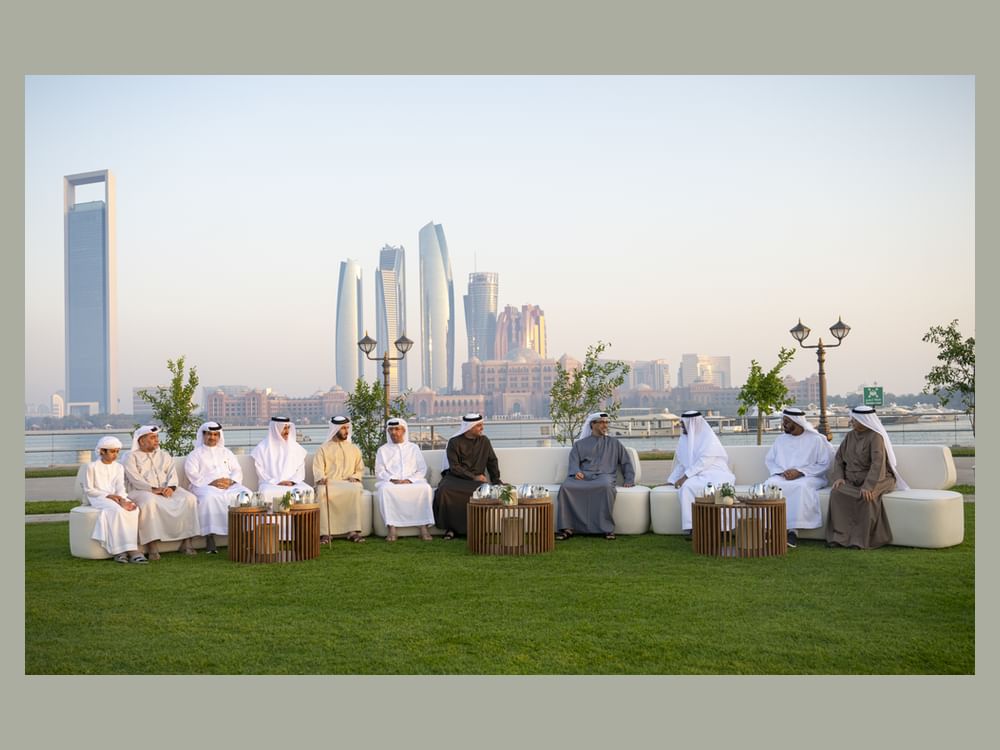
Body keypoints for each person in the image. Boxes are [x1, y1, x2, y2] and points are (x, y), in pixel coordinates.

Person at [825, 405, 908, 550]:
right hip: (852, 480)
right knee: (837, 492)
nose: (852, 422)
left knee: (866, 497)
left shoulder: (876, 437)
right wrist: (839, 477)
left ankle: (860, 540)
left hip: (879, 479)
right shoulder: (850, 436)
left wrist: (868, 486)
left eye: (854, 420)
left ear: (864, 421)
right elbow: (839, 459)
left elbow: (878, 464)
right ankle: (840, 537)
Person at [123, 425, 201, 560]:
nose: (156, 440)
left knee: (189, 498)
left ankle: (187, 541)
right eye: (152, 438)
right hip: (140, 491)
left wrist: (171, 488)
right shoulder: (130, 457)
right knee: (149, 501)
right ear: (141, 441)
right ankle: (152, 545)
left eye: (157, 437)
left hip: (166, 489)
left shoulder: (164, 455)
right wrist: (153, 489)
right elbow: (134, 479)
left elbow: (172, 475)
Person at [555, 412, 635, 541]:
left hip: (605, 476)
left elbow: (626, 462)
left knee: (605, 487)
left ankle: (607, 529)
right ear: (593, 424)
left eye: (607, 423)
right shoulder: (580, 444)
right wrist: (576, 472)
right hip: (584, 476)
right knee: (566, 487)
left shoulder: (614, 443)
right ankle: (567, 528)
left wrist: (629, 479)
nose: (605, 425)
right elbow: (574, 461)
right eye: (602, 422)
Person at [765, 407, 834, 548]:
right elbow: (770, 461)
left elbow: (824, 463)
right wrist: (782, 472)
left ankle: (792, 532)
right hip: (783, 476)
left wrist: (800, 472)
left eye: (786, 422)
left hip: (810, 477)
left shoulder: (815, 440)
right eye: (783, 421)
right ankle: (772, 529)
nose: (783, 424)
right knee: (770, 484)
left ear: (796, 422)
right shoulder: (780, 440)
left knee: (800, 486)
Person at [665, 410, 735, 539]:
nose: (681, 426)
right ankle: (693, 528)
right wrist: (672, 480)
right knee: (686, 488)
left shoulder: (709, 438)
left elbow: (704, 461)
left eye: (683, 424)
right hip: (696, 475)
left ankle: (724, 530)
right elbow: (682, 464)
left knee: (721, 488)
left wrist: (685, 477)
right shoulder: (683, 440)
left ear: (693, 424)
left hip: (716, 472)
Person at [184, 421, 251, 554]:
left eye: (215, 434)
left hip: (229, 485)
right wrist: (213, 482)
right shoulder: (195, 454)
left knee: (246, 494)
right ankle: (210, 537)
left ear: (219, 436)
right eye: (209, 434)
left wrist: (230, 481)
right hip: (204, 486)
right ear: (203, 435)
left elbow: (237, 470)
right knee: (209, 498)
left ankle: (244, 536)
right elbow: (192, 474)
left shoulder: (227, 452)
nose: (212, 437)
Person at [433, 413, 501, 540]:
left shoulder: (484, 441)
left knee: (480, 492)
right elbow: (454, 467)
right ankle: (450, 529)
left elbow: (492, 461)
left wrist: (496, 480)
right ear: (470, 427)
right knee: (444, 491)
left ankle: (474, 528)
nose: (482, 428)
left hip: (476, 480)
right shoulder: (454, 442)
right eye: (479, 426)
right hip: (454, 477)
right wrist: (473, 477)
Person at [82, 436, 147, 563]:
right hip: (98, 497)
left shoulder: (119, 467)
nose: (115, 455)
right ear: (102, 451)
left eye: (117, 451)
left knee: (133, 510)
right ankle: (121, 551)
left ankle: (130, 548)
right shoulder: (91, 467)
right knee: (117, 511)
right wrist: (110, 496)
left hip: (116, 498)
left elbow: (120, 488)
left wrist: (124, 500)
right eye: (112, 451)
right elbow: (89, 489)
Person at [375, 417, 434, 542]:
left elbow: (421, 469)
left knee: (425, 488)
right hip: (390, 483)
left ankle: (423, 527)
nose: (393, 432)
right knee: (385, 490)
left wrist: (410, 480)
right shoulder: (383, 450)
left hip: (412, 482)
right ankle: (392, 527)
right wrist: (392, 479)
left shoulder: (413, 448)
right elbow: (380, 472)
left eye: (397, 429)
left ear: (404, 431)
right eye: (391, 430)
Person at [312, 415, 366, 543]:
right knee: (322, 492)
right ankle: (325, 533)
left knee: (354, 490)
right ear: (335, 429)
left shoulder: (354, 449)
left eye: (347, 428)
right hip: (330, 483)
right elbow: (318, 468)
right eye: (343, 428)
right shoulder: (323, 449)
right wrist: (321, 478)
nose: (346, 431)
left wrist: (355, 476)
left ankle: (353, 531)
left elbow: (360, 469)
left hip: (349, 482)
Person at [251, 416, 313, 509]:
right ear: (276, 429)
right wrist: (277, 482)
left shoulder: (295, 447)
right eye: (284, 428)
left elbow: (301, 468)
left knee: (309, 490)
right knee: (267, 493)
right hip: (270, 484)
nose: (287, 431)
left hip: (293, 483)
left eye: (288, 428)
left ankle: (303, 523)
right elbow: (260, 472)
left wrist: (292, 481)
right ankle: (272, 523)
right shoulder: (262, 448)